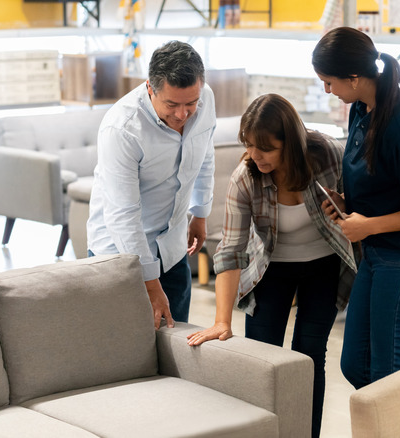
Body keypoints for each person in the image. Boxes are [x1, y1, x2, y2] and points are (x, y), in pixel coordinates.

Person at [186, 93, 357, 438]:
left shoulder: (328, 154)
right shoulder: (245, 178)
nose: (255, 155)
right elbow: (231, 250)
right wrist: (221, 321)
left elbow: (358, 207)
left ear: (290, 143)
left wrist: (345, 206)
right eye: (249, 145)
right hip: (270, 268)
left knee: (308, 357)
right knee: (261, 359)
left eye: (266, 147)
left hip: (324, 265)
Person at [311, 27, 400, 389]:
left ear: (355, 78)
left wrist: (369, 225)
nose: (328, 90)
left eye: (330, 82)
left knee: (388, 379)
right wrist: (347, 205)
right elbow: (378, 180)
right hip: (376, 256)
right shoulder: (362, 107)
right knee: (356, 367)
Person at [87, 40, 217, 329]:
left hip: (171, 247)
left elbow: (205, 156)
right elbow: (124, 215)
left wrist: (200, 213)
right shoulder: (121, 129)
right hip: (120, 254)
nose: (183, 114)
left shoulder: (204, 97)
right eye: (172, 104)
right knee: (126, 350)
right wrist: (150, 283)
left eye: (190, 104)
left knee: (175, 343)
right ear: (150, 88)